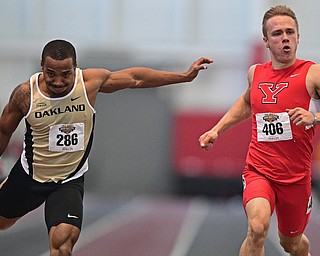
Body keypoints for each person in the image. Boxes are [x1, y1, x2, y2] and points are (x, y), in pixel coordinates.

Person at [0, 39, 212, 256]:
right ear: (42, 66)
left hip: (68, 181)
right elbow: (4, 131)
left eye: (66, 74)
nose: (58, 81)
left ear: (75, 67)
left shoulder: (90, 82)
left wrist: (183, 77)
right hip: (29, 177)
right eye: (51, 73)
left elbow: (135, 78)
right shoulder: (26, 95)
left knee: (63, 245)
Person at [199, 5, 319, 256]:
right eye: (277, 34)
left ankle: (302, 249)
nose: (284, 38)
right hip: (259, 170)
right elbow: (246, 103)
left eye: (290, 32)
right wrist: (216, 130)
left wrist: (314, 117)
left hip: (295, 178)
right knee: (257, 227)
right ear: (265, 41)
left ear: (298, 36)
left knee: (291, 244)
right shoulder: (256, 73)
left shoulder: (311, 73)